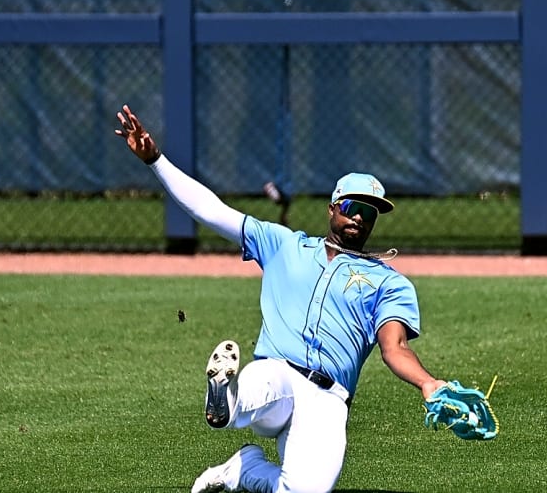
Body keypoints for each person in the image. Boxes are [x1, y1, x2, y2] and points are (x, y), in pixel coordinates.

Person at [115, 104, 447, 493]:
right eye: (353, 207)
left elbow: (396, 348)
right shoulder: (284, 245)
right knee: (260, 382)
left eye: (370, 213)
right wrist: (156, 160)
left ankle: (243, 469)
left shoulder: (389, 283)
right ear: (332, 208)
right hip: (278, 377)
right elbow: (210, 210)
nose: (360, 217)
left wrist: (428, 383)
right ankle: (227, 400)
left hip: (329, 400)